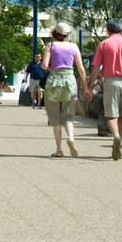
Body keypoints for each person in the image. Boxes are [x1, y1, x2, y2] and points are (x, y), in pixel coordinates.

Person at [87, 19, 122, 160]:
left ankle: (116, 136)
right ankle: (118, 138)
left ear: (108, 30)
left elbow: (95, 67)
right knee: (121, 115)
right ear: (121, 31)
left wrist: (90, 86)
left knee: (111, 115)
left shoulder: (104, 44)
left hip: (111, 81)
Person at [41, 22, 91, 157]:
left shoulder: (51, 46)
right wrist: (86, 87)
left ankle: (58, 149)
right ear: (68, 34)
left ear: (54, 33)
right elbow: (81, 68)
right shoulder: (73, 47)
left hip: (54, 82)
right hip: (70, 82)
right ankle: (71, 138)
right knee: (68, 116)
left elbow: (44, 65)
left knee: (55, 119)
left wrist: (51, 68)